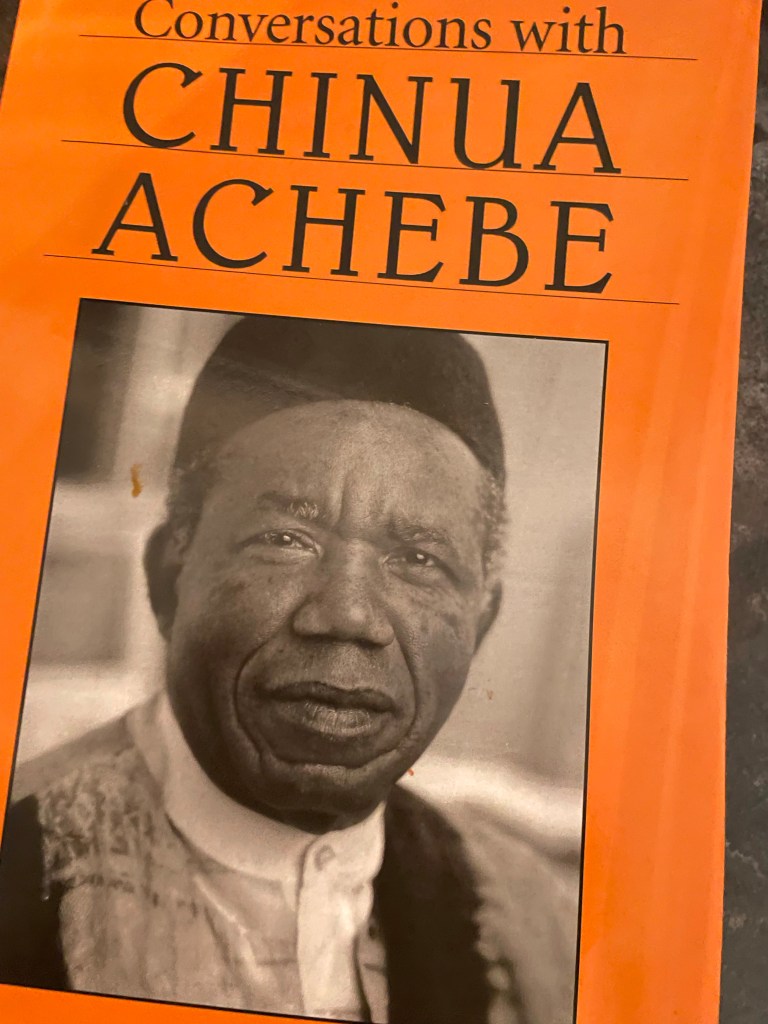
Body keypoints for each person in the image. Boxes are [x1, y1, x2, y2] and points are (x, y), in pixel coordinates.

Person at [0, 316, 578, 1024]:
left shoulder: (527, 924)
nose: (347, 616)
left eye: (418, 560)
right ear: (168, 579)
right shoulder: (19, 869)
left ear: (480, 624)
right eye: (284, 539)